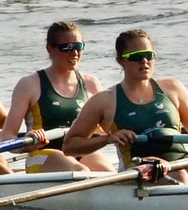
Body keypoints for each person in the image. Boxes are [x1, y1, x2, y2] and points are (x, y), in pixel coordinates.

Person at [63, 29, 188, 184]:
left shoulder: (173, 88)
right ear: (120, 60)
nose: (144, 61)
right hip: (137, 164)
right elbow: (70, 146)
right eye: (136, 57)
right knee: (179, 176)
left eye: (148, 56)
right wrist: (108, 139)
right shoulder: (104, 101)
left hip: (179, 159)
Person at [1, 21, 113, 173]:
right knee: (80, 172)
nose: (74, 53)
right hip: (42, 154)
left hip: (78, 150)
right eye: (66, 47)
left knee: (107, 172)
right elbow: (7, 136)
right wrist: (27, 143)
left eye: (78, 47)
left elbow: (108, 129)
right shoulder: (29, 84)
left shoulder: (91, 83)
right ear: (50, 49)